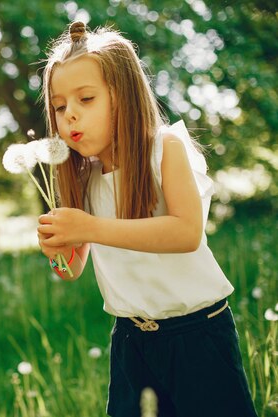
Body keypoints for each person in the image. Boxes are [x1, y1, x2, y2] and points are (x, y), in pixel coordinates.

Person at [36, 21, 258, 417]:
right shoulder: (82, 177)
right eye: (59, 106)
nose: (69, 115)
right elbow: (71, 269)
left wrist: (90, 227)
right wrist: (56, 250)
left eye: (85, 99)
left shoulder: (165, 149)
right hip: (131, 342)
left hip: (198, 336)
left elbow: (186, 232)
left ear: (122, 96)